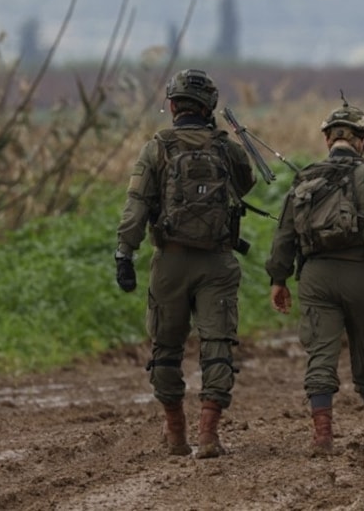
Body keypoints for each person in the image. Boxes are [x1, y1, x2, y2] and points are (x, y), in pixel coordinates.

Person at [115, 68, 256, 458]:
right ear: (209, 106)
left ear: (173, 105)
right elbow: (247, 184)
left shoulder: (157, 147)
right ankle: (209, 435)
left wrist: (125, 253)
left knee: (166, 348)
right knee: (218, 345)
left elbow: (136, 205)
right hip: (217, 262)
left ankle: (176, 434)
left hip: (170, 263)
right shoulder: (225, 147)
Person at [266, 98, 364, 455]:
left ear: (329, 139)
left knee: (320, 355)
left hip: (315, 279)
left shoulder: (305, 179)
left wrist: (279, 279)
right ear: (363, 140)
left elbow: (284, 235)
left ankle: (322, 437)